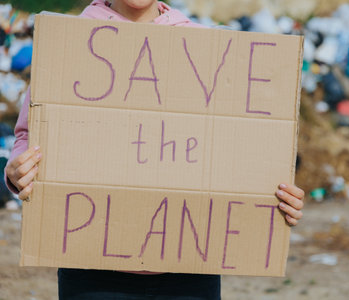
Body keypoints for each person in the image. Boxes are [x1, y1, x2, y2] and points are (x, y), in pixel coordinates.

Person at [4, 1, 305, 299]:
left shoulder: (207, 45)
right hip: (92, 274)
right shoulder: (69, 41)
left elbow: (244, 146)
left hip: (189, 277)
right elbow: (28, 135)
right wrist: (17, 170)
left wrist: (276, 197)